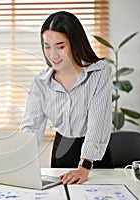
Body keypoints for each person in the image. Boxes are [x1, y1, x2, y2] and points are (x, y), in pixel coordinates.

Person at [20, 11, 113, 185]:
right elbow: (30, 126)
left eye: (60, 46)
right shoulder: (41, 82)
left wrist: (84, 167)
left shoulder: (99, 73)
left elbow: (98, 123)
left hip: (93, 157)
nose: (53, 55)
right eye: (47, 46)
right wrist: (19, 161)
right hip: (61, 149)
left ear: (75, 43)